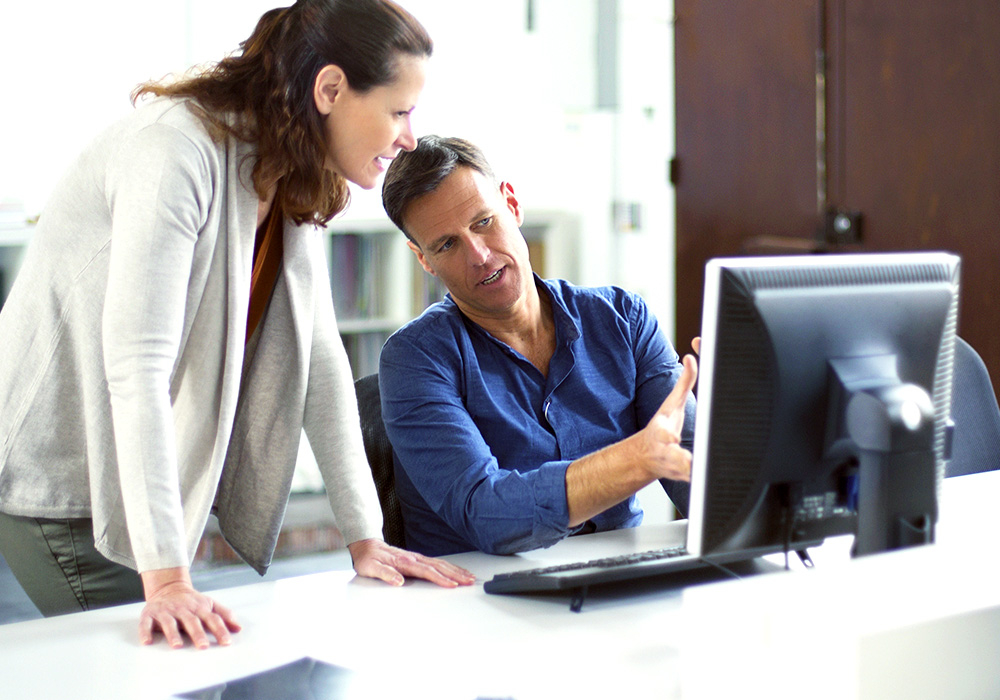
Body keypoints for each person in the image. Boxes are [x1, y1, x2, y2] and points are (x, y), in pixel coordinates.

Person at [0, 0, 474, 651]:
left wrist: (368, 536)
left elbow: (319, 359)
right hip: (62, 481)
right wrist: (167, 581)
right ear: (330, 89)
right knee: (163, 669)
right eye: (398, 111)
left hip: (131, 481)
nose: (410, 138)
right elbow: (137, 366)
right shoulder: (175, 154)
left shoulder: (287, 170)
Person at [378, 135, 698, 557]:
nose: (479, 255)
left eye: (483, 222)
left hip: (617, 581)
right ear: (424, 259)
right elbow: (485, 511)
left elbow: (699, 474)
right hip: (481, 600)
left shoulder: (624, 320)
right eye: (447, 244)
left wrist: (750, 430)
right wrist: (634, 460)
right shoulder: (414, 359)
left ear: (511, 204)